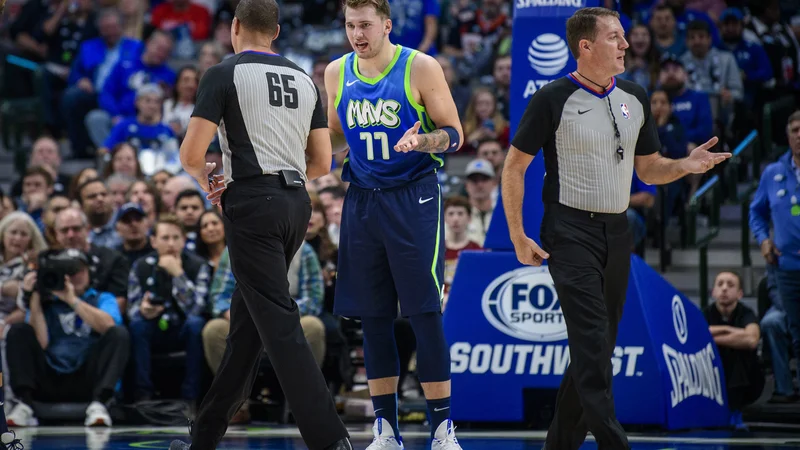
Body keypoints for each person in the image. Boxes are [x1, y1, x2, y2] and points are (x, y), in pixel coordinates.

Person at [501, 7, 728, 450]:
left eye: (623, 37)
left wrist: (685, 165)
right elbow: (514, 167)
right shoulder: (552, 97)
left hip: (618, 231)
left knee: (598, 350)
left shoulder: (636, 96)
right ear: (586, 46)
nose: (625, 44)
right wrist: (517, 234)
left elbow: (649, 169)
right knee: (591, 345)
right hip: (568, 232)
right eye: (614, 38)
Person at [167, 0, 351, 449]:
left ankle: (332, 441)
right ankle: (204, 438)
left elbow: (191, 156)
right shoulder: (304, 79)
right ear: (277, 31)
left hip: (252, 203)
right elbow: (322, 162)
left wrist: (211, 180)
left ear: (233, 28)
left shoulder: (223, 73)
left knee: (280, 324)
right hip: (296, 206)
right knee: (247, 325)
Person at [324, 0, 464, 448]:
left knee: (424, 312)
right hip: (362, 200)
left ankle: (442, 428)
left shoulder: (420, 67)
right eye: (350, 25)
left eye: (365, 25)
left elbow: (455, 133)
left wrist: (425, 139)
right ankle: (386, 430)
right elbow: (329, 135)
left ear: (386, 25)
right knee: (373, 316)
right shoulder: (335, 73)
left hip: (414, 197)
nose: (357, 34)